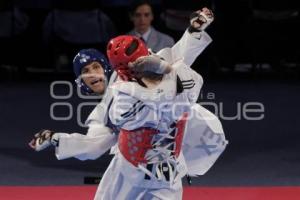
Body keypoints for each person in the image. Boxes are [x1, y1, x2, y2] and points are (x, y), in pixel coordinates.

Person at [29, 7, 226, 200]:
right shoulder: (118, 100)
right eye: (85, 71)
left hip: (167, 173)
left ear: (110, 67)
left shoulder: (152, 75)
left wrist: (193, 31)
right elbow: (93, 145)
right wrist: (57, 138)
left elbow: (178, 56)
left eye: (95, 67)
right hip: (128, 171)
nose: (92, 74)